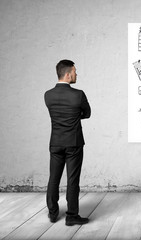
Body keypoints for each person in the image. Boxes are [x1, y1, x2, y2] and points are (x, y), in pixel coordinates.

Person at [44, 60, 91, 226]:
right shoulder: (78, 95)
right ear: (68, 74)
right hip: (74, 142)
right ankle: (72, 216)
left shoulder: (48, 95)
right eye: (75, 71)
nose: (77, 74)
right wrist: (76, 115)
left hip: (55, 142)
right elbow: (87, 113)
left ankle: (52, 213)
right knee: (72, 180)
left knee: (53, 178)